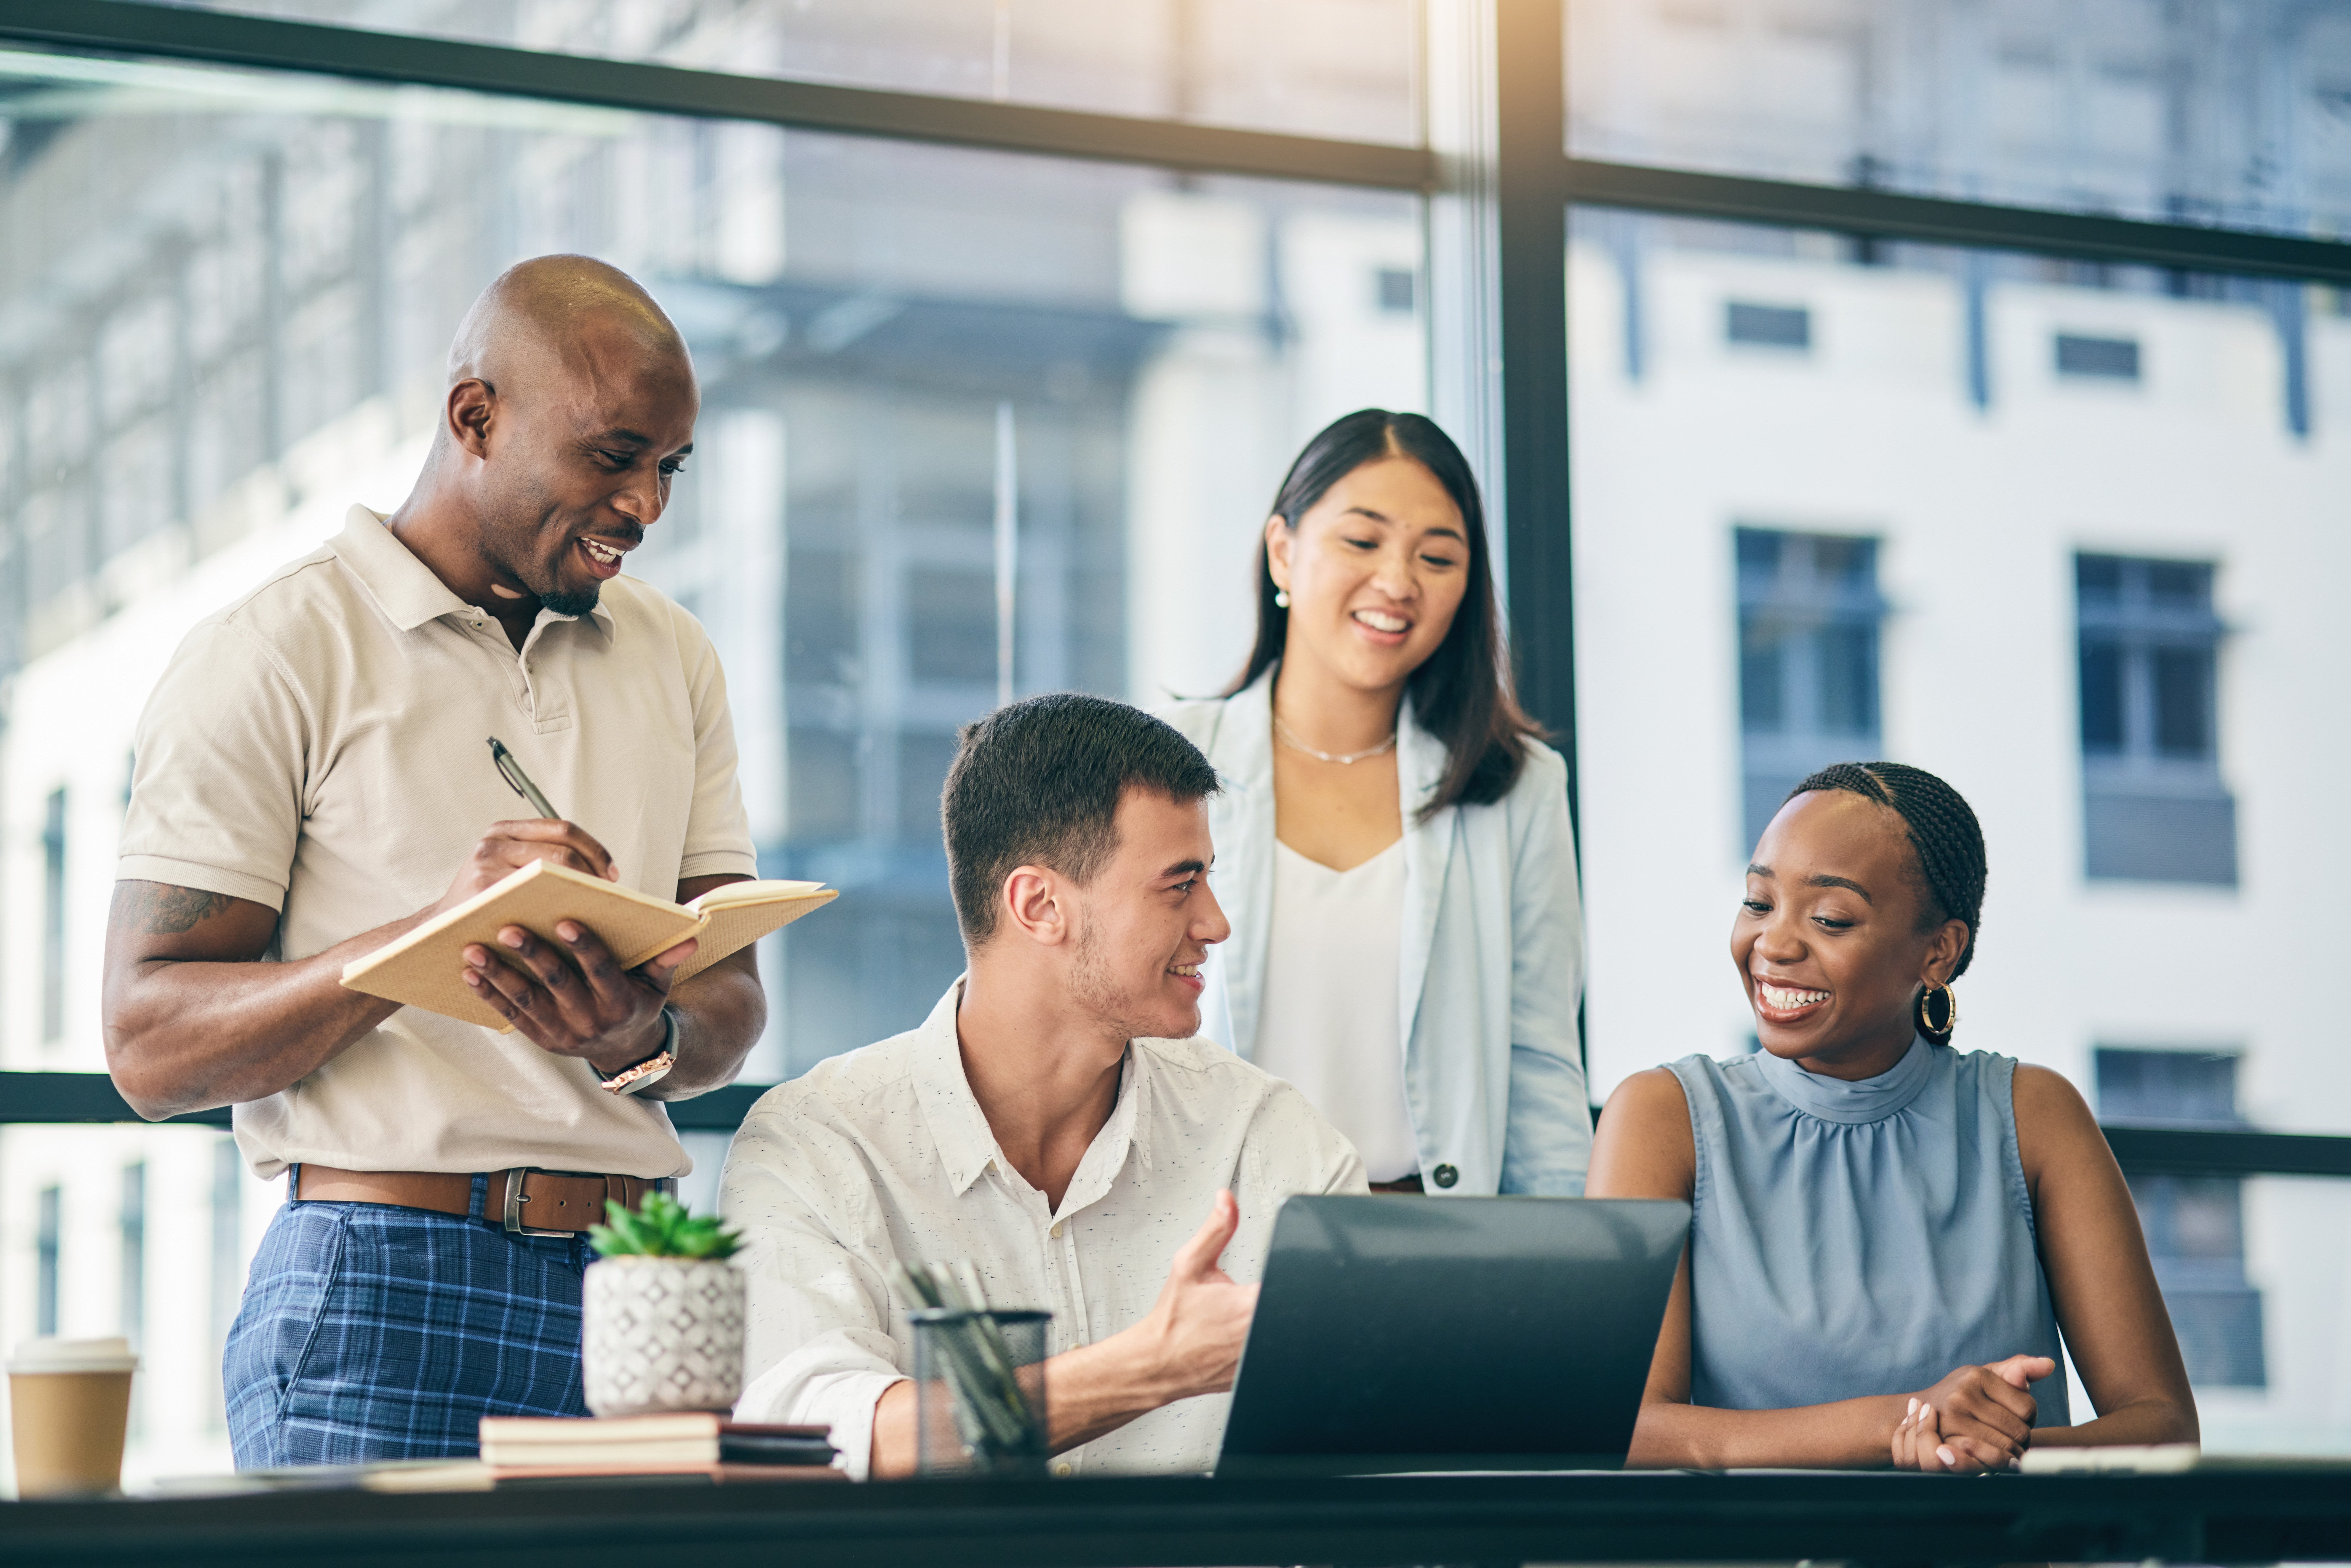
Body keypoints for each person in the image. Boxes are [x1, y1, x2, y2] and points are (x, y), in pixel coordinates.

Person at [101, 256, 768, 1466]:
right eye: (613, 456)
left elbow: (730, 1000)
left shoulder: (675, 655)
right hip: (379, 1286)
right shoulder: (277, 649)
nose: (646, 506)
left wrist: (638, 1036)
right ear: (475, 417)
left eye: (670, 467)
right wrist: (431, 937)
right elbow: (149, 1045)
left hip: (639, 1282)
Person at [722, 694, 1366, 1478]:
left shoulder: (1267, 1138)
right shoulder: (817, 1143)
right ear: (1039, 905)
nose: (1215, 923)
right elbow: (816, 1438)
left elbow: (1368, 1422)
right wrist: (1152, 1366)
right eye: (1179, 885)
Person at [1587, 761, 2197, 1471]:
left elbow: (2162, 1428)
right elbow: (1622, 1429)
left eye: (1829, 919)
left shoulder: (2033, 1116)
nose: (1774, 945)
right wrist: (1905, 1423)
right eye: (1758, 903)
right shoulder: (1664, 1118)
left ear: (1939, 952)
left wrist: (1975, 1451)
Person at [1160, 409, 1588, 1196]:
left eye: (1437, 557)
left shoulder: (1516, 785)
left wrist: (1564, 1258)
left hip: (1434, 1235)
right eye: (1361, 542)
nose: (1397, 583)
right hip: (1211, 1234)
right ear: (1283, 552)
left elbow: (1540, 1065)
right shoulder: (1165, 760)